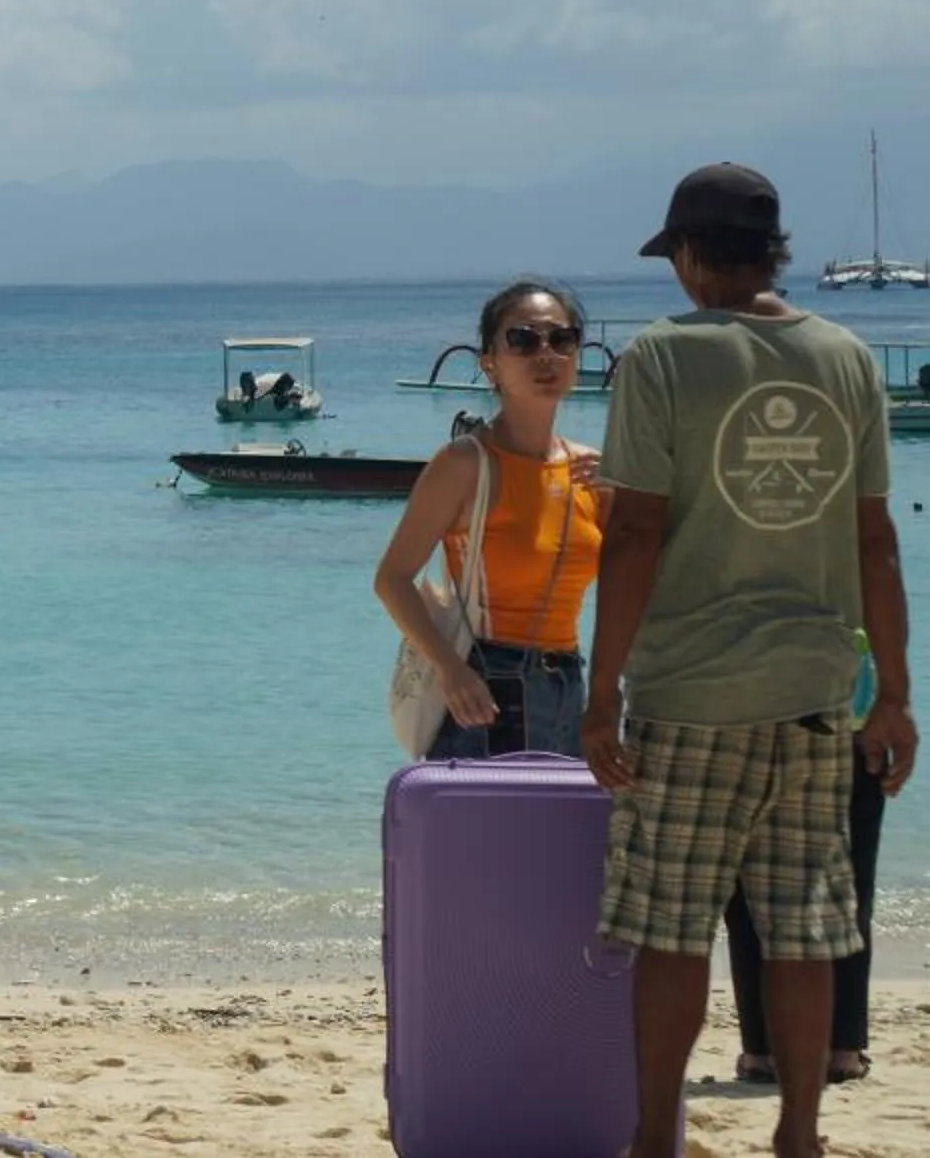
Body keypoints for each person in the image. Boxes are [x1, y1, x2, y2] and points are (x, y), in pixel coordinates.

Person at [583, 163, 913, 1158]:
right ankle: (801, 1134)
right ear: (771, 251)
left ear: (688, 256)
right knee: (803, 926)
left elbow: (635, 530)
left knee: (674, 924)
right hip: (815, 691)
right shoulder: (847, 356)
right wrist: (893, 693)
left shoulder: (660, 357)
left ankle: (654, 1138)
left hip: (690, 693)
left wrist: (601, 694)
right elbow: (875, 541)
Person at [370, 281, 610, 758]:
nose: (546, 354)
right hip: (487, 684)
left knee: (561, 835)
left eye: (562, 340)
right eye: (523, 339)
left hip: (569, 683)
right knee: (486, 833)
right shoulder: (465, 463)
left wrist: (627, 493)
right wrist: (450, 670)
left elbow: (648, 575)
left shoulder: (591, 469)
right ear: (489, 363)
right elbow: (392, 579)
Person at [726, 631, 890, 1087]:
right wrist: (892, 707)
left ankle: (763, 1051)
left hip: (749, 719)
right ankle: (842, 1047)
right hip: (847, 717)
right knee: (851, 888)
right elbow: (881, 619)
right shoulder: (857, 561)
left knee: (749, 897)